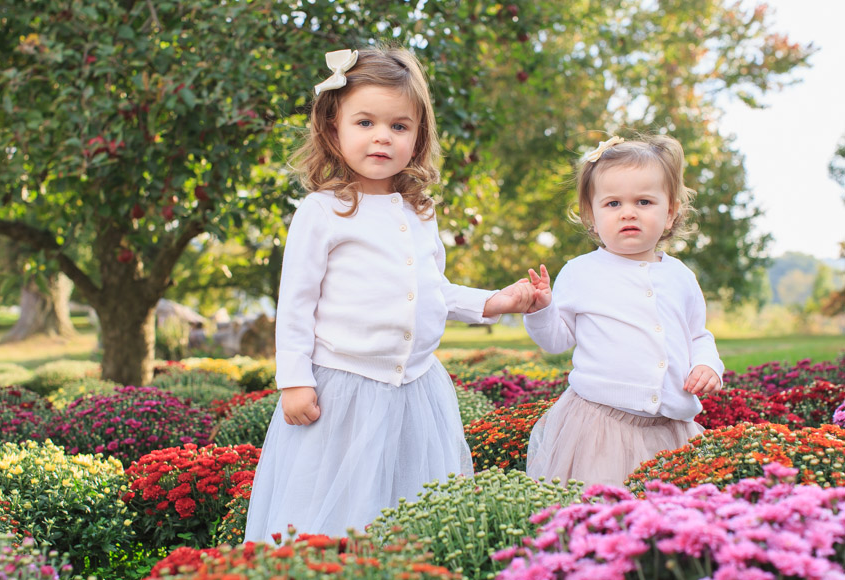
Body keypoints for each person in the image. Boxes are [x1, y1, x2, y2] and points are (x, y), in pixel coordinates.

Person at [244, 46, 536, 541]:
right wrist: (294, 378)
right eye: (365, 123)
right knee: (338, 508)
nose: (383, 136)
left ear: (418, 136)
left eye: (400, 126)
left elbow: (432, 289)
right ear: (333, 130)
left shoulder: (420, 211)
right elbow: (296, 303)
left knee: (412, 504)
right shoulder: (323, 210)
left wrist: (493, 302)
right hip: (344, 390)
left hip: (417, 391)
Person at [522, 134, 724, 488]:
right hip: (600, 426)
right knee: (601, 507)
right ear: (592, 215)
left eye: (644, 201)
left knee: (670, 512)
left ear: (670, 212)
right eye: (613, 204)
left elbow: (697, 334)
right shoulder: (581, 272)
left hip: (669, 431)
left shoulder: (680, 276)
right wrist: (541, 311)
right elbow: (556, 340)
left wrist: (707, 364)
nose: (628, 212)